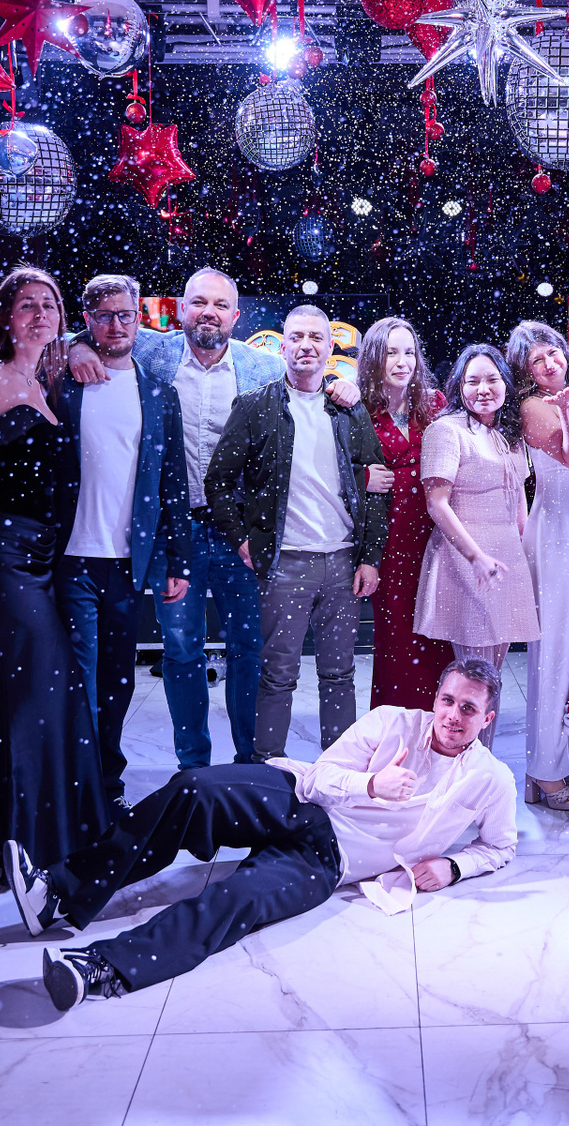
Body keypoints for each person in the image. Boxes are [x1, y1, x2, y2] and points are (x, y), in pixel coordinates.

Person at [0, 658, 517, 1009]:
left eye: (468, 709)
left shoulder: (491, 779)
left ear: (487, 718)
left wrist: (454, 865)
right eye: (447, 700)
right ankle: (58, 892)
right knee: (194, 788)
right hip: (300, 802)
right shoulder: (392, 722)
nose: (452, 716)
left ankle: (98, 969)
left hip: (328, 861)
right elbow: (319, 777)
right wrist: (371, 784)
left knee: (235, 901)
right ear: (436, 697)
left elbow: (500, 845)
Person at [71, 269, 279, 769]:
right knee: (182, 651)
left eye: (220, 305)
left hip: (237, 534)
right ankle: (194, 768)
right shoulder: (151, 350)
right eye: (199, 302)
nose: (209, 312)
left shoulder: (263, 366)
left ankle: (250, 765)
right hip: (174, 532)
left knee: (249, 649)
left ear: (235, 315)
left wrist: (342, 388)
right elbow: (85, 331)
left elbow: (317, 380)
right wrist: (76, 347)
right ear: (182, 309)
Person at [0, 267, 110, 873]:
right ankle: (38, 844)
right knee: (42, 689)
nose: (40, 315)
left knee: (9, 692)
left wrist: (82, 348)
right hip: (0, 552)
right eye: (27, 306)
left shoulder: (47, 380)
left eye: (49, 305)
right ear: (5, 317)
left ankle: (3, 837)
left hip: (45, 555)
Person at [205, 304, 389, 760]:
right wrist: (242, 540)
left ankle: (336, 774)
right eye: (297, 337)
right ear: (282, 345)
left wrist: (370, 557)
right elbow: (218, 481)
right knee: (277, 676)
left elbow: (376, 486)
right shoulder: (255, 406)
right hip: (284, 563)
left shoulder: (348, 408)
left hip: (343, 563)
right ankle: (268, 771)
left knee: (340, 674)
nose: (306, 345)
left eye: (316, 337)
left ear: (330, 346)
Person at [50, 272, 191, 807]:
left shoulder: (158, 392)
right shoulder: (61, 383)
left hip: (128, 564)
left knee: (117, 681)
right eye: (104, 316)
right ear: (87, 320)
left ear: (138, 319)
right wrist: (70, 347)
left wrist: (177, 560)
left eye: (125, 315)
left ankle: (106, 786)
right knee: (80, 677)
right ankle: (78, 790)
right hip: (71, 558)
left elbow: (173, 481)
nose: (116, 325)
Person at [413, 345, 539, 751]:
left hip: (506, 560)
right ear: (459, 386)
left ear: (506, 383)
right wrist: (476, 557)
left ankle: (480, 764)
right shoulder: (446, 430)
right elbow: (436, 504)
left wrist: (526, 553)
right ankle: (457, 764)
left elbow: (518, 500)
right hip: (466, 560)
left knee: (491, 678)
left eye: (491, 379)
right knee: (473, 676)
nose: (483, 389)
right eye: (473, 381)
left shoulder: (509, 434)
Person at [505, 321, 569, 810]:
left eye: (553, 352)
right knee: (553, 656)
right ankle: (543, 768)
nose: (549, 363)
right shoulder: (533, 407)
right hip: (556, 535)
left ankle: (558, 757)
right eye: (536, 360)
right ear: (526, 372)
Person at [358, 316, 456, 712]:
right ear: (373, 358)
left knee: (440, 634)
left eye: (409, 352)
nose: (402, 362)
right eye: (391, 353)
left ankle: (442, 727)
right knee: (396, 639)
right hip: (390, 541)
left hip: (438, 535)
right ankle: (398, 728)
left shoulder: (435, 404)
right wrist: (361, 477)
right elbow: (331, 467)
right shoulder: (357, 410)